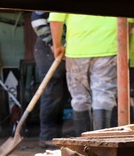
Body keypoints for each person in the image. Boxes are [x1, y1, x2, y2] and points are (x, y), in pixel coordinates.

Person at [48, 12, 118, 133]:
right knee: (103, 96)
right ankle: (103, 144)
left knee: (79, 98)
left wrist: (57, 45)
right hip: (108, 47)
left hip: (77, 50)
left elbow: (56, 19)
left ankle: (84, 145)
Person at [29, 10, 66, 144]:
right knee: (52, 91)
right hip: (48, 48)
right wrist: (52, 43)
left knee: (61, 94)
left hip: (63, 46)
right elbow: (37, 18)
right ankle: (47, 136)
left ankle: (56, 136)